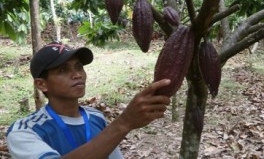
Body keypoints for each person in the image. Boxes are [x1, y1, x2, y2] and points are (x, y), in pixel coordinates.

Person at [6, 41, 171, 159]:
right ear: (41, 84)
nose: (77, 74)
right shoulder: (24, 131)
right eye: (63, 70)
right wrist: (123, 123)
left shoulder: (96, 117)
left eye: (79, 67)